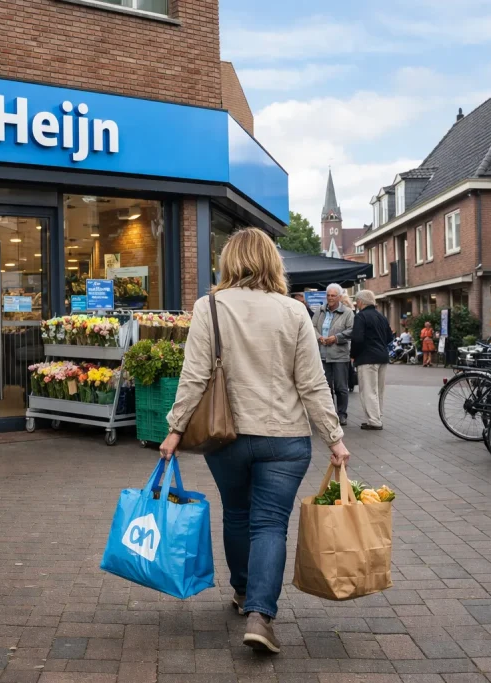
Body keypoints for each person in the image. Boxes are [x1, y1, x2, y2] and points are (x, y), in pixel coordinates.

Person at [160, 228, 349, 655]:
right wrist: (334, 438)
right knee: (270, 524)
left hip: (225, 437)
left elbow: (195, 375)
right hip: (284, 438)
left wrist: (175, 429)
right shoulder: (295, 311)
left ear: (229, 261)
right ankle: (261, 616)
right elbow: (312, 384)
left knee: (238, 514)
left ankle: (244, 592)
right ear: (272, 262)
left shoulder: (209, 306)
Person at [311, 283, 354, 425]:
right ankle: (330, 414)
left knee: (341, 387)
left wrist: (336, 338)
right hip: (322, 354)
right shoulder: (320, 311)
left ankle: (342, 414)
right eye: (328, 295)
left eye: (333, 295)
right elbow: (312, 327)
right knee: (326, 387)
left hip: (340, 355)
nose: (330, 298)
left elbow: (352, 330)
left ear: (340, 297)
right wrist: (319, 337)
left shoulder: (347, 312)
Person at [351, 290, 391, 430]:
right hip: (382, 357)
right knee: (379, 390)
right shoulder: (382, 317)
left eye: (357, 302)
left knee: (368, 390)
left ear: (361, 302)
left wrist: (354, 354)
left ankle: (373, 421)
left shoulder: (360, 317)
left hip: (367, 357)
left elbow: (357, 338)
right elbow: (389, 338)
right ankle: (378, 416)